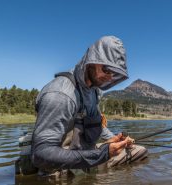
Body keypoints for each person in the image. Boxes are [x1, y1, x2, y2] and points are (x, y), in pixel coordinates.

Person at [30, 36, 147, 176]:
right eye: (107, 69)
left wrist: (115, 139)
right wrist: (101, 155)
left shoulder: (93, 91)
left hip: (87, 155)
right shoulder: (61, 94)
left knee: (139, 151)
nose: (110, 77)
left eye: (115, 73)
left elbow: (95, 123)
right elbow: (40, 154)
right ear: (92, 61)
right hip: (61, 165)